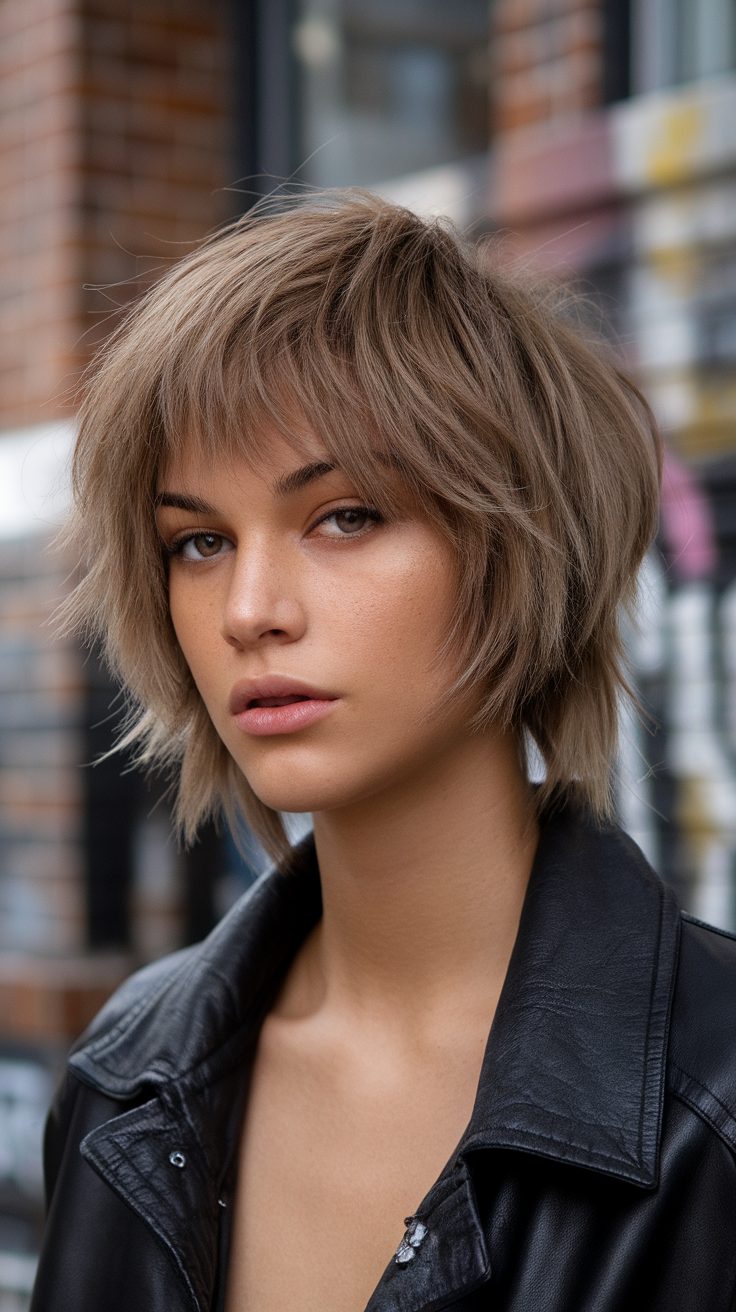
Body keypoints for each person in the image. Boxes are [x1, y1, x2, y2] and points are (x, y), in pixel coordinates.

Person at [29, 194, 736, 1312]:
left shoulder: (716, 1104)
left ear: (518, 540)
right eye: (198, 541)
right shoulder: (126, 1077)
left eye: (345, 515)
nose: (248, 609)